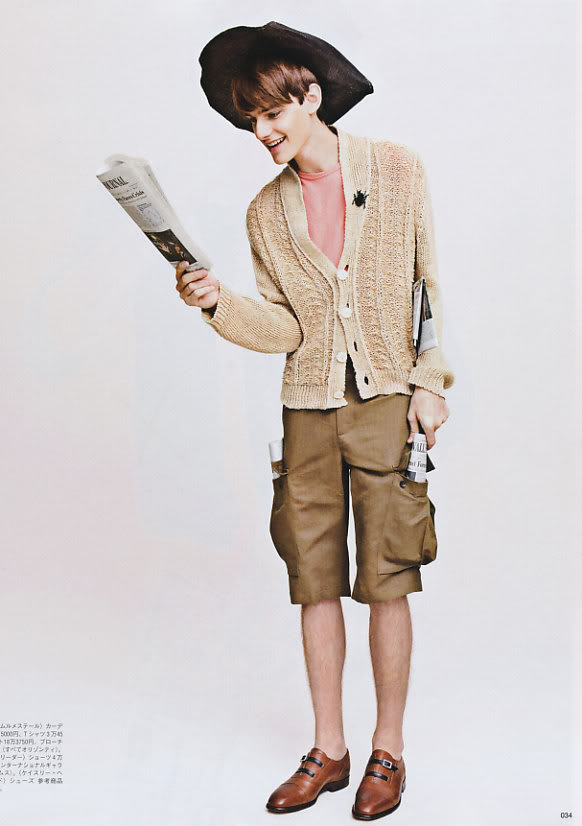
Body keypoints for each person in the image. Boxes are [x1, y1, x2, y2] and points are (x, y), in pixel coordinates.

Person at [177, 22, 454, 820]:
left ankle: (387, 750)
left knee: (389, 578)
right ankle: (328, 750)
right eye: (250, 120)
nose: (261, 132)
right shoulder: (266, 212)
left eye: (271, 114)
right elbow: (285, 329)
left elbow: (428, 286)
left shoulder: (397, 169)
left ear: (311, 97)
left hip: (386, 401)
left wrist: (430, 383)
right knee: (315, 582)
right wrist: (218, 303)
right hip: (306, 408)